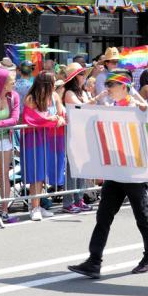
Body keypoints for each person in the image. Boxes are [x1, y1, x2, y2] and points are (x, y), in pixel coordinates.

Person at [68, 69, 148, 279]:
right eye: (107, 85)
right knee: (103, 216)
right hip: (115, 169)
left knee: (142, 215)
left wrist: (142, 105)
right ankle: (94, 261)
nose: (108, 88)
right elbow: (80, 111)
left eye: (111, 85)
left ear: (124, 87)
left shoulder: (135, 106)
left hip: (134, 169)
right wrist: (97, 99)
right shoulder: (112, 107)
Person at [21, 71, 66, 221]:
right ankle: (34, 208)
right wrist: (50, 119)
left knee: (44, 173)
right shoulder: (31, 98)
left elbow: (61, 113)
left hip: (50, 138)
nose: (55, 83)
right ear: (46, 83)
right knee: (37, 174)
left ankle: (38, 206)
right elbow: (31, 118)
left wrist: (59, 117)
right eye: (53, 81)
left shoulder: (55, 96)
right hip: (34, 139)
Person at [62, 63, 95, 214]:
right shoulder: (69, 92)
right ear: (74, 78)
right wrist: (96, 98)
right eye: (81, 75)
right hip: (72, 132)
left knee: (82, 167)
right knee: (72, 169)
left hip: (83, 131)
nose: (84, 77)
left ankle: (79, 199)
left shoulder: (84, 92)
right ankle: (68, 202)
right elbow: (81, 107)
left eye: (83, 74)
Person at [0, 68, 20, 222]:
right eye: (12, 81)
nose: (14, 83)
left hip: (5, 139)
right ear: (2, 82)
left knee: (4, 175)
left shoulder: (14, 96)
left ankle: (4, 211)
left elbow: (15, 119)